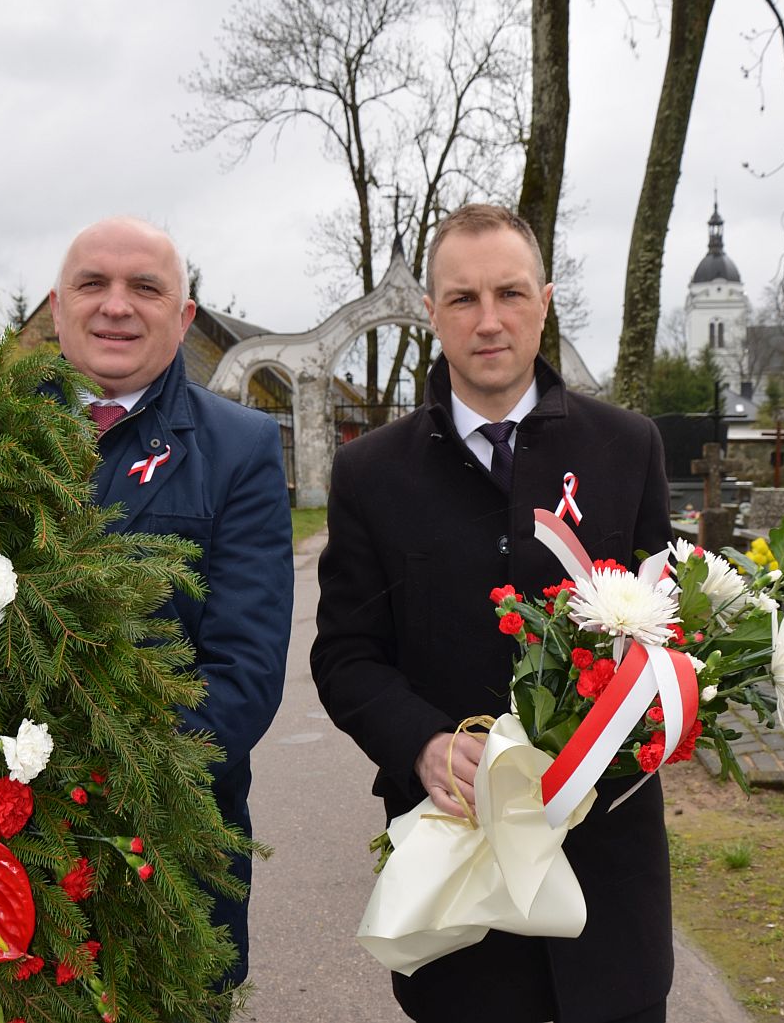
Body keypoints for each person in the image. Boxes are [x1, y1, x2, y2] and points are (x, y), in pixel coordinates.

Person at [311, 204, 673, 1023]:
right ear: (432, 312)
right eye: (463, 298)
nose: (489, 320)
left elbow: (670, 630)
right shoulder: (372, 474)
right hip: (461, 876)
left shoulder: (627, 447)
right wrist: (425, 745)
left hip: (608, 883)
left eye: (510, 293)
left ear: (544, 300)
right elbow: (345, 656)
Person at [46, 216, 294, 983]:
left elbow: (244, 676)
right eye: (93, 284)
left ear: (183, 317)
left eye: (145, 287)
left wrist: (86, 779)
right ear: (57, 307)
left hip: (171, 856)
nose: (116, 306)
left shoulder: (241, 450)